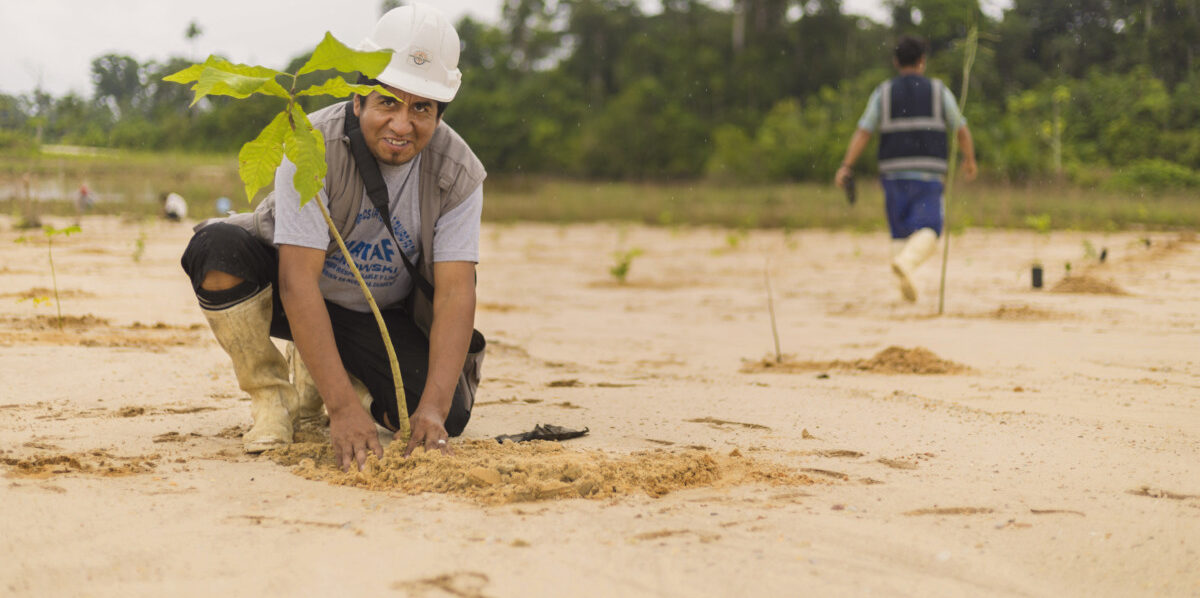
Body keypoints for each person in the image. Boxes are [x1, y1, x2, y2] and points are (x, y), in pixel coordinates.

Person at [180, 4, 486, 472]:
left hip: (375, 311)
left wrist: (433, 410)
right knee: (216, 250)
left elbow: (455, 294)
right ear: (357, 99)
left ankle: (326, 373)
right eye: (387, 101)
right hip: (290, 289)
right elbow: (298, 282)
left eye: (421, 107)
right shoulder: (310, 146)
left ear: (440, 114)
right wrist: (341, 412)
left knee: (445, 415)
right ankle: (273, 398)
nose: (402, 125)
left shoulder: (459, 173)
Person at [835, 35, 977, 302]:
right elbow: (961, 129)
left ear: (895, 61)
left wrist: (846, 166)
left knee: (900, 231)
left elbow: (863, 131)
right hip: (928, 174)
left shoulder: (883, 92)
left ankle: (905, 285)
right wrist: (969, 160)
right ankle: (908, 266)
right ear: (922, 61)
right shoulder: (938, 91)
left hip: (893, 174)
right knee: (930, 229)